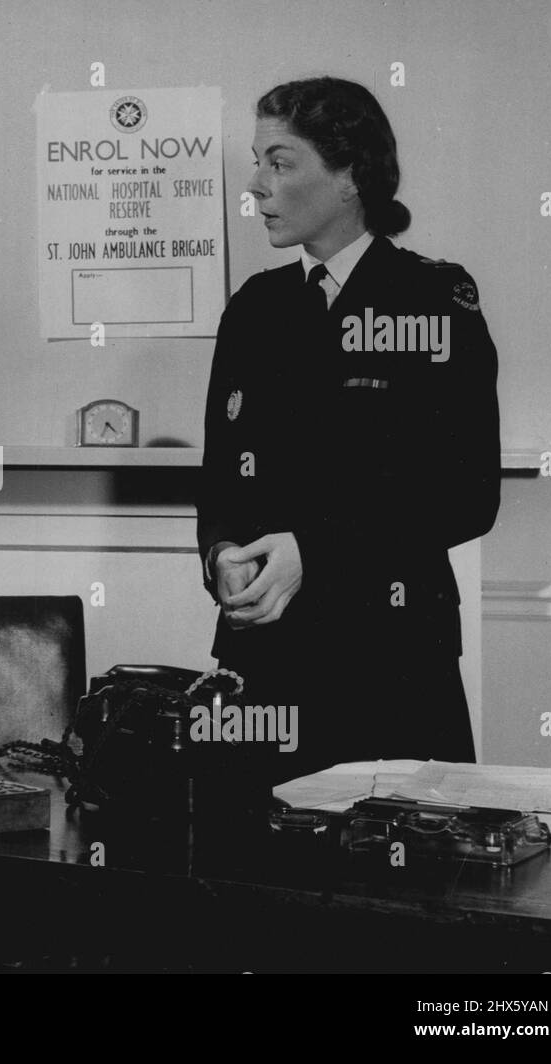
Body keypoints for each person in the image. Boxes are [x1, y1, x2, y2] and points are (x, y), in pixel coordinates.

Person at [197, 77, 500, 786]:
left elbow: (466, 493)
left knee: (397, 876)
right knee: (247, 874)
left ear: (350, 175)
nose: (255, 184)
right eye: (256, 161)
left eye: (280, 161)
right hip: (263, 659)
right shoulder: (255, 308)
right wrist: (220, 556)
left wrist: (316, 551)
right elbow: (221, 479)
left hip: (390, 658)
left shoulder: (433, 299)